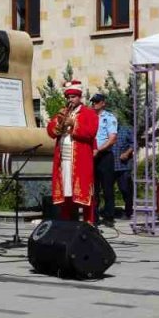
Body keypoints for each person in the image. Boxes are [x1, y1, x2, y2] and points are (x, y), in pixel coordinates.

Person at [46, 80, 98, 223]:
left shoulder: (89, 113)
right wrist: (58, 123)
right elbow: (50, 131)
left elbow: (91, 132)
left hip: (81, 160)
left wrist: (74, 124)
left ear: (79, 97)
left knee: (84, 192)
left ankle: (89, 223)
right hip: (63, 160)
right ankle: (67, 222)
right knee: (66, 192)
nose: (70, 100)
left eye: (73, 97)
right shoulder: (63, 112)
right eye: (68, 97)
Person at [91, 93, 119, 227]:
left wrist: (99, 150)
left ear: (103, 103)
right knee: (93, 188)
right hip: (91, 156)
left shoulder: (109, 117)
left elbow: (112, 138)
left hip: (104, 155)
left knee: (107, 187)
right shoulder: (89, 116)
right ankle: (93, 216)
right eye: (92, 102)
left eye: (96, 102)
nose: (94, 104)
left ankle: (109, 216)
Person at [113, 122, 135, 219]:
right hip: (110, 166)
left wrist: (127, 153)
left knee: (125, 189)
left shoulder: (126, 129)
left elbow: (134, 144)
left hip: (123, 166)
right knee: (107, 190)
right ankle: (109, 212)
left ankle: (128, 212)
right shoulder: (107, 131)